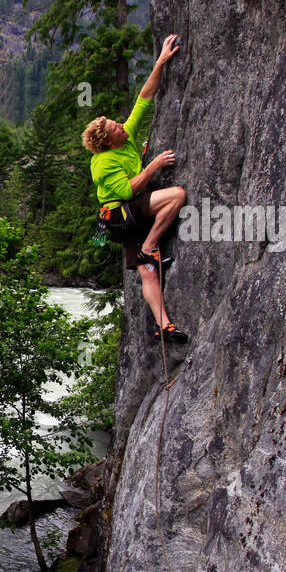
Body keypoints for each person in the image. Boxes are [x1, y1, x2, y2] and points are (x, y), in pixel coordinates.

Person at [83, 34, 188, 343]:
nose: (123, 126)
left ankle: (164, 325)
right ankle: (149, 246)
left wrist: (160, 63)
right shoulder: (102, 163)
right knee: (177, 196)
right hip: (118, 216)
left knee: (148, 272)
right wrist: (153, 165)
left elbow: (144, 98)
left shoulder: (125, 139)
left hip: (125, 215)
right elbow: (128, 191)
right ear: (107, 142)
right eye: (117, 128)